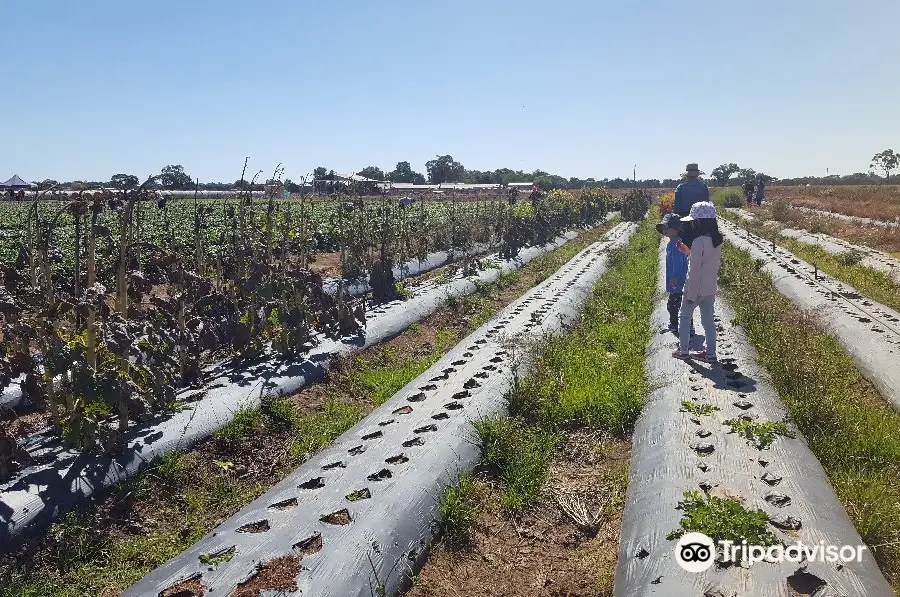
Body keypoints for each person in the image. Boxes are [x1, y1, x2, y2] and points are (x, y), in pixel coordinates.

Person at [672, 201, 723, 364]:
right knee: (708, 320)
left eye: (694, 221)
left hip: (695, 286)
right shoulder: (717, 240)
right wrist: (689, 253)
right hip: (710, 287)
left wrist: (691, 293)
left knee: (685, 316)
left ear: (699, 222)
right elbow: (705, 261)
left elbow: (695, 268)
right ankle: (711, 353)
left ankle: (684, 350)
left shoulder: (698, 241)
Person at [656, 213, 693, 335]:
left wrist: (675, 277)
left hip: (678, 282)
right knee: (679, 304)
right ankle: (685, 325)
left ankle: (676, 325)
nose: (665, 230)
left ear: (677, 229)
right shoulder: (674, 242)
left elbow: (678, 264)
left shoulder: (676, 244)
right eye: (664, 228)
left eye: (668, 227)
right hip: (678, 281)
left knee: (673, 305)